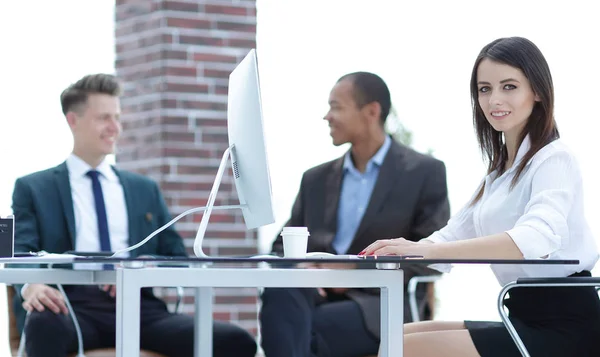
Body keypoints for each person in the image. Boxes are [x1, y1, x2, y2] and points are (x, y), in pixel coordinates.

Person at [362, 36, 600, 357]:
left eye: (509, 86)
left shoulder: (554, 158)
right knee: (397, 334)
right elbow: (451, 235)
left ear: (538, 92)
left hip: (565, 325)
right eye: (485, 89)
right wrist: (401, 249)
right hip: (521, 315)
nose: (494, 99)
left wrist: (422, 251)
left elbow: (535, 237)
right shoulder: (498, 174)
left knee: (403, 346)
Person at [11, 73, 257, 357]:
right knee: (43, 324)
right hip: (71, 307)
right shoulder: (33, 188)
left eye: (117, 117)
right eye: (104, 118)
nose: (115, 127)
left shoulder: (144, 190)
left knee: (237, 342)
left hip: (139, 308)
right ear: (73, 121)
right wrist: (31, 285)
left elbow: (175, 254)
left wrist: (145, 265)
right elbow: (20, 251)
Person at [260, 72, 450, 357]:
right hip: (315, 296)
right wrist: (304, 269)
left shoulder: (424, 173)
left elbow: (432, 256)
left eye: (336, 106)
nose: (327, 116)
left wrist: (355, 273)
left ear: (371, 112)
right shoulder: (315, 179)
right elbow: (281, 247)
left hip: (380, 303)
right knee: (279, 296)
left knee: (304, 329)